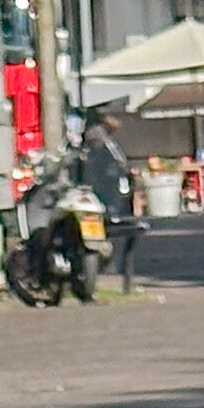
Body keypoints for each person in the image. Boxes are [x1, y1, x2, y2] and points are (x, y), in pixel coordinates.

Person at [82, 100, 139, 286]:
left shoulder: (103, 136)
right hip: (103, 188)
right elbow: (107, 160)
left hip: (109, 186)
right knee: (107, 222)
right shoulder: (97, 137)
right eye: (115, 117)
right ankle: (103, 262)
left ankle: (105, 261)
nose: (119, 122)